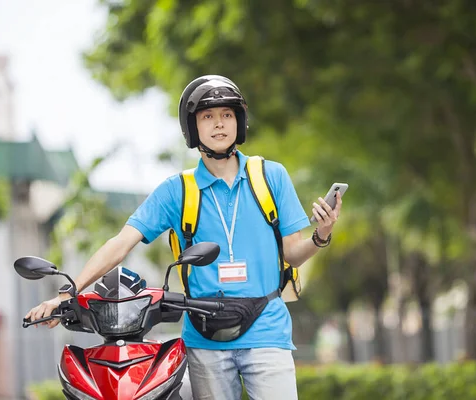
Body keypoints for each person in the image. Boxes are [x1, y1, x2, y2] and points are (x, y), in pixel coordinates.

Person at [25, 75, 342, 399]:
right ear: (193, 127)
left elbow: (292, 254)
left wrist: (322, 233)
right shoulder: (177, 191)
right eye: (208, 117)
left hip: (267, 332)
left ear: (239, 122)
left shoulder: (270, 176)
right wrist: (67, 294)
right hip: (205, 340)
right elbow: (121, 243)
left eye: (227, 115)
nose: (219, 124)